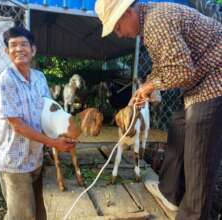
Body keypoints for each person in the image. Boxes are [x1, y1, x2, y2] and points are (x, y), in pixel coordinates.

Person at [95, 0, 222, 219]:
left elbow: (181, 71)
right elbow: (163, 69)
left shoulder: (156, 21)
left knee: (198, 161)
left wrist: (150, 86)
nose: (120, 34)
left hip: (215, 81)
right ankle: (170, 193)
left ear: (127, 13)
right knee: (178, 126)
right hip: (200, 82)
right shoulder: (150, 20)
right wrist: (144, 89)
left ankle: (195, 213)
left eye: (117, 27)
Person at [0, 26, 75, 220]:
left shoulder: (40, 78)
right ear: (7, 52)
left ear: (33, 50)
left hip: (35, 158)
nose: (19, 49)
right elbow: (18, 126)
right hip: (15, 162)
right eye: (13, 45)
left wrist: (63, 134)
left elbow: (47, 115)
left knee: (39, 213)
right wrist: (54, 143)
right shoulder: (5, 81)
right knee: (22, 216)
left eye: (24, 44)